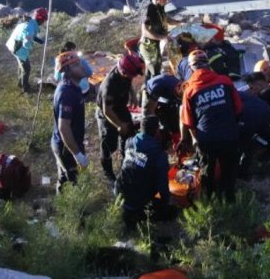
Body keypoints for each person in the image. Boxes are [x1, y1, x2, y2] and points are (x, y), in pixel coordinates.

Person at [180, 49, 243, 201]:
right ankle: (229, 201)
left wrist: (195, 139)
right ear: (208, 63)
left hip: (206, 139)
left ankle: (208, 203)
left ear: (191, 68)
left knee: (207, 173)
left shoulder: (189, 90)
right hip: (229, 135)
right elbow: (239, 108)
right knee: (229, 172)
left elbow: (188, 121)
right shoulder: (225, 81)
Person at [115, 115, 173, 229]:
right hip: (138, 199)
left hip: (119, 191)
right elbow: (162, 187)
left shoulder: (129, 142)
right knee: (172, 211)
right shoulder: (159, 155)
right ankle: (139, 215)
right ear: (157, 131)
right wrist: (168, 200)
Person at [96, 53, 146, 181]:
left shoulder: (126, 69)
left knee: (129, 135)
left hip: (121, 107)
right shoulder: (109, 84)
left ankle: (127, 164)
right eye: (132, 75)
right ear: (123, 72)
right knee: (108, 145)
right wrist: (119, 125)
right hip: (108, 113)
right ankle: (108, 174)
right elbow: (107, 110)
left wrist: (133, 94)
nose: (133, 77)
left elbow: (129, 81)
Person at [51, 52, 89, 193]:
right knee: (74, 182)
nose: (82, 67)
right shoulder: (66, 93)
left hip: (70, 143)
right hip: (65, 147)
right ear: (67, 70)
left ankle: (60, 197)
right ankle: (76, 212)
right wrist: (77, 154)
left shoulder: (74, 87)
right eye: (76, 65)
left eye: (79, 63)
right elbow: (64, 127)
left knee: (65, 177)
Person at [140, 0, 177, 113]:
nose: (166, 2)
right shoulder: (148, 10)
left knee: (153, 71)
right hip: (148, 45)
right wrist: (161, 38)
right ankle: (150, 105)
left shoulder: (160, 7)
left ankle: (151, 97)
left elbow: (165, 18)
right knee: (154, 69)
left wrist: (178, 22)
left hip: (157, 42)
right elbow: (145, 31)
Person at [236, 77, 270, 178]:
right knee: (249, 143)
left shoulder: (232, 96)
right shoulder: (238, 92)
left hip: (253, 116)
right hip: (266, 112)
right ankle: (244, 170)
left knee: (242, 143)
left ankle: (241, 172)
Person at [5, 7, 48, 92]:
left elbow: (30, 36)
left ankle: (20, 83)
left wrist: (41, 41)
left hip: (13, 44)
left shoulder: (30, 22)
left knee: (22, 66)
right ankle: (25, 88)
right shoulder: (31, 27)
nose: (43, 22)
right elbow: (27, 42)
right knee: (26, 68)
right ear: (41, 20)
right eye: (44, 20)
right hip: (18, 48)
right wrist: (29, 46)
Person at [145, 73, 183, 143]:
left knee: (174, 119)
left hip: (167, 93)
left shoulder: (182, 87)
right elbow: (149, 112)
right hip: (151, 90)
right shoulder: (158, 87)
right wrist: (156, 129)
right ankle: (155, 143)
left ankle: (175, 138)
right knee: (154, 119)